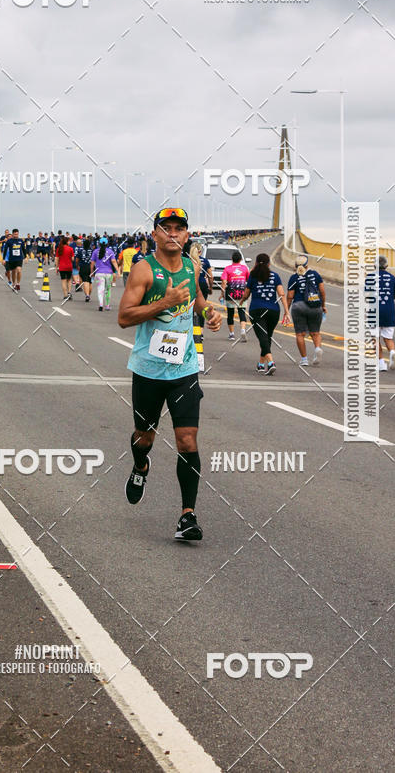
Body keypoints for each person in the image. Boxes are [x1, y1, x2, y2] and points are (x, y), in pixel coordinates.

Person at [118, 207, 222, 541]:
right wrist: (164, 302)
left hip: (184, 368)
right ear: (155, 235)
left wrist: (209, 311)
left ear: (187, 235)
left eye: (179, 229)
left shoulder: (192, 267)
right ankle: (140, 466)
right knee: (144, 438)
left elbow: (197, 300)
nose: (173, 234)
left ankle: (187, 516)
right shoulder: (143, 270)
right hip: (148, 369)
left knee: (187, 439)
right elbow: (124, 317)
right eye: (166, 228)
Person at [241, 253, 287, 375]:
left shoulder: (253, 276)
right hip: (274, 311)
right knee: (266, 338)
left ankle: (271, 363)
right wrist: (286, 311)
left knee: (263, 338)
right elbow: (282, 294)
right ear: (269, 263)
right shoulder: (275, 276)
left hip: (257, 310)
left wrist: (241, 302)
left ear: (256, 263)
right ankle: (261, 364)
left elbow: (246, 294)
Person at [285, 255, 326, 366]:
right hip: (315, 306)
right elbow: (322, 292)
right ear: (307, 265)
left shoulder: (294, 278)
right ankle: (317, 348)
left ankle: (304, 360)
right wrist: (323, 306)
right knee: (315, 333)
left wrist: (286, 311)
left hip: (299, 306)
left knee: (300, 334)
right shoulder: (315, 275)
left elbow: (290, 296)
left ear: (295, 266)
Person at [376, 255, 395, 371]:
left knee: (374, 339)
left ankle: (381, 364)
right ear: (386, 265)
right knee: (388, 338)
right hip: (389, 311)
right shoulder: (391, 277)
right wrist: (391, 296)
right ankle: (392, 353)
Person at [220, 250, 249, 341]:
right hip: (242, 294)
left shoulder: (227, 269)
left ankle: (232, 334)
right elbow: (248, 280)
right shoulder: (244, 268)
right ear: (240, 259)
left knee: (230, 314)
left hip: (231, 293)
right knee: (242, 312)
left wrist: (222, 294)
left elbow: (224, 282)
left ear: (232, 259)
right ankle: (243, 330)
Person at [91, 237, 119, 310]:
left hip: (99, 273)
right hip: (109, 273)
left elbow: (92, 263)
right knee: (108, 290)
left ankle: (101, 305)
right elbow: (113, 261)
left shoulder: (95, 251)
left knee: (100, 289)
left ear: (99, 244)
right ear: (107, 244)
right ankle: (107, 305)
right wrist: (118, 270)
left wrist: (91, 272)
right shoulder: (110, 252)